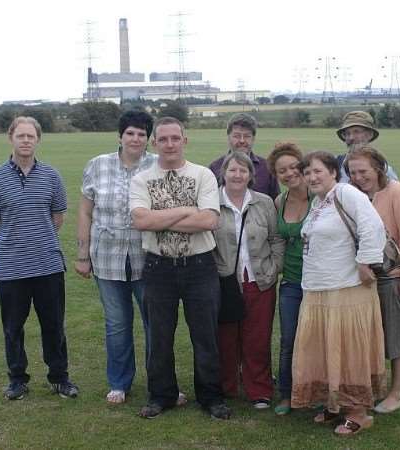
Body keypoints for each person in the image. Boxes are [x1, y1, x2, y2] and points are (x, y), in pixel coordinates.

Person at [130, 116, 231, 420]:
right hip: (158, 267)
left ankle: (211, 397)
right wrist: (188, 210)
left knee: (205, 336)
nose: (170, 144)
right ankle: (162, 395)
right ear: (154, 143)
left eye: (175, 138)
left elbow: (209, 221)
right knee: (159, 336)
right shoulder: (141, 179)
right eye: (163, 139)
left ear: (185, 141)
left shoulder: (203, 175)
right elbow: (141, 221)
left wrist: (162, 216)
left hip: (200, 266)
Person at [291, 151, 387, 436]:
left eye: (318, 171)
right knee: (325, 349)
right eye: (307, 173)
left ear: (334, 172)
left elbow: (373, 225)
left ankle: (358, 412)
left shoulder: (345, 192)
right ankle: (334, 403)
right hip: (318, 289)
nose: (312, 177)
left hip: (347, 289)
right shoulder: (320, 202)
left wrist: (365, 261)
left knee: (348, 351)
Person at [0, 116, 78, 400]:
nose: (26, 141)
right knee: (13, 328)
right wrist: (15, 240)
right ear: (10, 138)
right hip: (10, 267)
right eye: (20, 136)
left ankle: (59, 377)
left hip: (47, 265)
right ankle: (17, 379)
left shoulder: (52, 176)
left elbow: (58, 217)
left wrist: (38, 240)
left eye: (31, 136)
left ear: (38, 140)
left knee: (53, 325)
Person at [74, 109, 156, 404]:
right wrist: (83, 255)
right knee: (117, 324)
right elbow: (85, 211)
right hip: (107, 259)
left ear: (148, 139)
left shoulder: (157, 166)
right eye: (130, 133)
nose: (135, 138)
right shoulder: (98, 165)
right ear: (120, 136)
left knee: (154, 323)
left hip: (148, 260)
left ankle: (159, 382)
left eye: (142, 134)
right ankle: (119, 382)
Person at [345, 145, 400, 414]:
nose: (358, 177)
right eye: (353, 172)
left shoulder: (396, 191)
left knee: (395, 337)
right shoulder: (356, 195)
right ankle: (373, 387)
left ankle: (396, 394)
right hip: (365, 278)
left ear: (378, 168)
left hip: (392, 276)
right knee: (369, 337)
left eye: (363, 171)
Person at [212, 151, 284, 409]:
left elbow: (276, 238)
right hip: (225, 281)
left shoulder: (263, 202)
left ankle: (260, 391)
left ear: (250, 175)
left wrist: (274, 267)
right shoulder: (211, 201)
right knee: (225, 337)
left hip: (260, 279)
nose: (237, 175)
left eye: (243, 171)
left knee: (258, 337)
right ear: (224, 173)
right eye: (232, 170)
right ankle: (226, 386)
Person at [266, 142, 311, 415]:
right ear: (276, 175)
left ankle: (316, 391)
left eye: (294, 166)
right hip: (291, 282)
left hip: (320, 282)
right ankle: (286, 393)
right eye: (282, 170)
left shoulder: (321, 196)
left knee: (317, 338)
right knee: (289, 339)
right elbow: (278, 241)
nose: (289, 173)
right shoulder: (279, 201)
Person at [209, 113, 280, 199]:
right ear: (228, 137)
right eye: (237, 136)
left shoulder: (267, 167)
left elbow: (275, 203)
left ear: (253, 138)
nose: (242, 140)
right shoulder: (214, 168)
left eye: (247, 136)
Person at [335, 110, 398, 183]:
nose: (351, 137)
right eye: (347, 133)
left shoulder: (384, 170)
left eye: (356, 132)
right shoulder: (336, 165)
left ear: (370, 135)